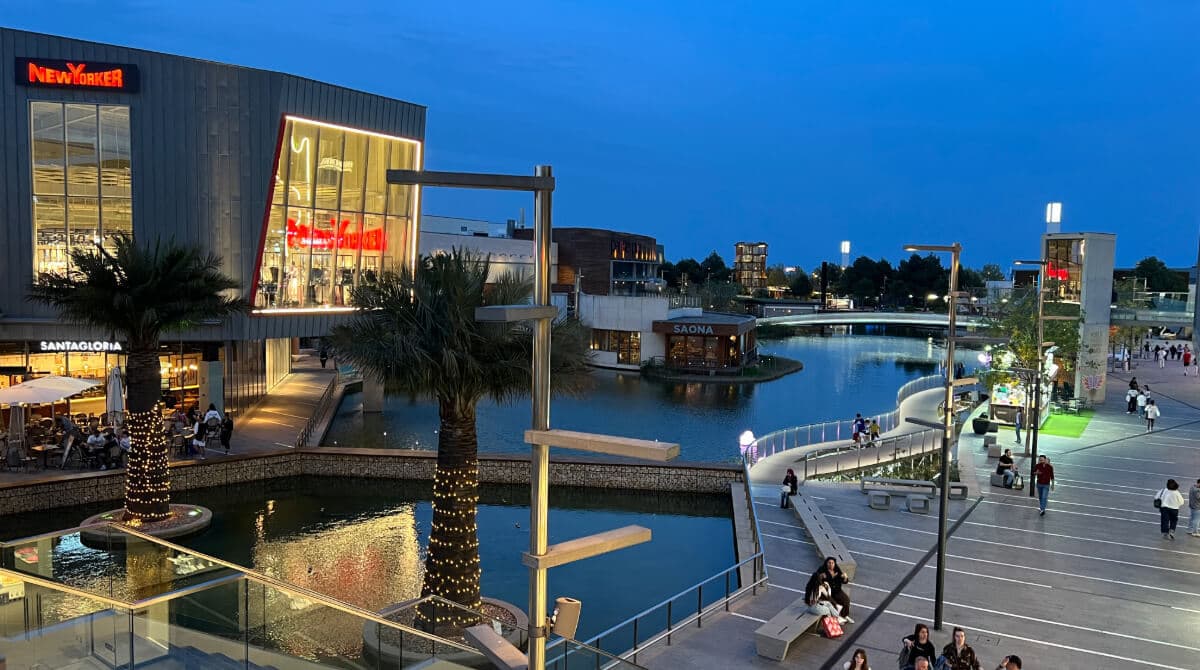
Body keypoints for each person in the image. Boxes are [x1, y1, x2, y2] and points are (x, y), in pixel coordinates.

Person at [816, 557, 852, 622]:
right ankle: (837, 619)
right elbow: (816, 580)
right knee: (834, 605)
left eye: (833, 563)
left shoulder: (837, 570)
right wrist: (820, 577)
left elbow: (844, 581)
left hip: (837, 591)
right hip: (827, 593)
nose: (831, 564)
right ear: (826, 563)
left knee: (846, 600)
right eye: (829, 563)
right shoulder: (822, 570)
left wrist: (845, 578)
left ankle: (844, 616)